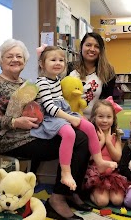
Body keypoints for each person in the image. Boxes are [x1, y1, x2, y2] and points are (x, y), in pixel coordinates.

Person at [0, 39, 92, 220]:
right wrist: (15, 122)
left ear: (25, 60)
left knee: (81, 136)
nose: (15, 59)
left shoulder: (28, 83)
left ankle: (69, 192)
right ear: (1, 60)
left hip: (36, 133)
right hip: (12, 141)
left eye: (19, 56)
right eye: (10, 56)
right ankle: (59, 198)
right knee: (78, 140)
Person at [32, 45, 117, 191]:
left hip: (64, 113)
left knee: (89, 127)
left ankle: (99, 161)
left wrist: (73, 115)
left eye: (61, 60)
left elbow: (63, 101)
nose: (58, 63)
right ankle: (65, 173)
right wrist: (70, 119)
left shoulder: (57, 80)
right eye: (53, 60)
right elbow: (50, 108)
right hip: (51, 118)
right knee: (69, 133)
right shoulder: (41, 82)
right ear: (42, 64)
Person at [84, 99, 128, 207]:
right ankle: (89, 193)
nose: (105, 120)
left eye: (108, 117)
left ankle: (107, 192)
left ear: (113, 118)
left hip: (112, 174)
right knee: (102, 202)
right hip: (96, 175)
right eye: (100, 116)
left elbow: (117, 157)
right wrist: (101, 141)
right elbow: (88, 158)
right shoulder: (90, 133)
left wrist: (108, 142)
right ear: (94, 117)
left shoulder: (116, 134)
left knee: (117, 201)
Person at [67, 32, 116, 119]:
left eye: (97, 46)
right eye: (88, 45)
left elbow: (107, 103)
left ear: (101, 50)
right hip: (68, 120)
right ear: (81, 47)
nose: (92, 49)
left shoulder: (108, 72)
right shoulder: (69, 68)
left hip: (94, 122)